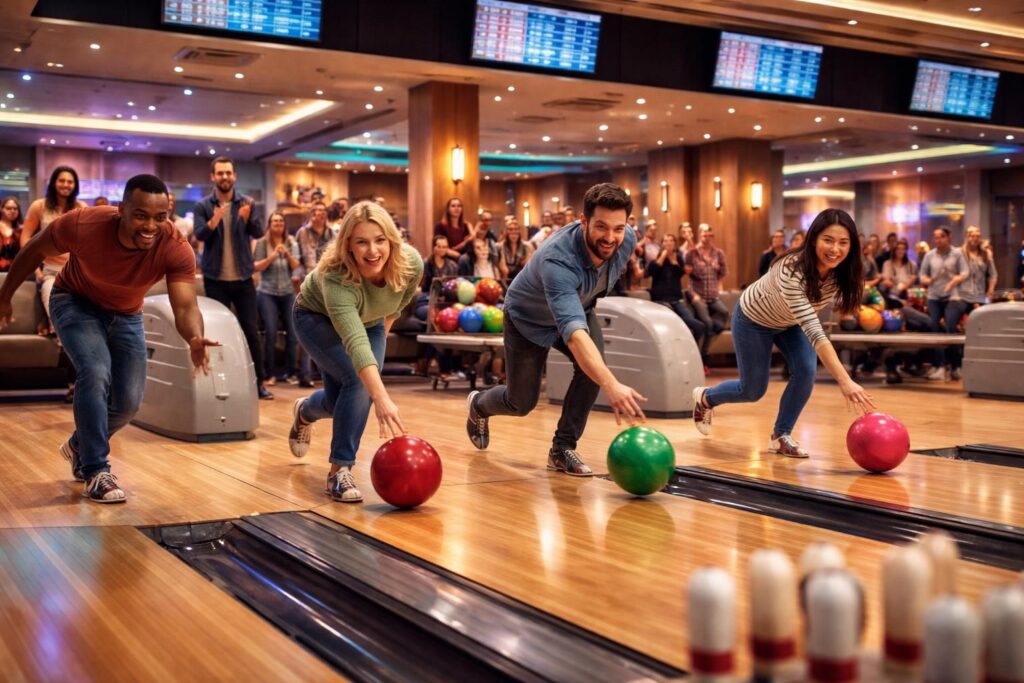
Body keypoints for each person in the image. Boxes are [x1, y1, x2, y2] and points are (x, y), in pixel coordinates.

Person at [0, 174, 216, 503]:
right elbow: (33, 250)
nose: (150, 226)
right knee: (96, 370)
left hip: (127, 315)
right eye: (141, 215)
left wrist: (195, 338)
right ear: (121, 209)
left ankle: (80, 445)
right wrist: (4, 297)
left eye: (160, 217)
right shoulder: (84, 224)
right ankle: (96, 470)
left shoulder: (174, 245)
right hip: (74, 301)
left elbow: (185, 305)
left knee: (128, 403)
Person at [465, 183, 646, 476]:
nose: (610, 237)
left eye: (618, 228)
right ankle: (480, 405)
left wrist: (602, 376)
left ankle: (562, 449)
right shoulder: (558, 259)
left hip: (579, 309)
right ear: (583, 221)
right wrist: (611, 385)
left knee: (592, 371)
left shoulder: (626, 241)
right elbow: (574, 336)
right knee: (521, 402)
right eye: (601, 227)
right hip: (527, 318)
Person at [691, 208, 876, 458]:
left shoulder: (841, 274)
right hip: (753, 319)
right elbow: (816, 332)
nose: (835, 249)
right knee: (752, 390)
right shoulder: (791, 269)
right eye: (828, 240)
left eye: (843, 243)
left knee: (806, 371)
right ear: (813, 240)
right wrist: (845, 381)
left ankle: (781, 436)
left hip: (788, 322)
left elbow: (817, 316)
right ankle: (706, 398)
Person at [287, 201, 423, 503]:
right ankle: (339, 470)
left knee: (345, 401)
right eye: (362, 242)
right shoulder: (335, 276)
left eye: (379, 240)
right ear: (348, 244)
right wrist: (381, 397)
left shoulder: (411, 263)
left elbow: (396, 306)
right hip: (314, 318)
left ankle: (305, 411)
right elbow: (355, 342)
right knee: (359, 383)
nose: (372, 251)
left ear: (391, 239)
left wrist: (377, 350)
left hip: (372, 320)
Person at [192, 156, 271, 399]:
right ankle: (219, 383)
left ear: (234, 176)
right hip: (215, 279)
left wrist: (248, 220)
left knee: (250, 331)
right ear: (213, 177)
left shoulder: (246, 203)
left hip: (243, 278)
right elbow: (199, 235)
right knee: (218, 333)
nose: (224, 177)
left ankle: (259, 384)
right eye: (220, 173)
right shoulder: (204, 206)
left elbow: (258, 231)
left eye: (228, 173)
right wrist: (213, 221)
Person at [19, 165, 87, 331]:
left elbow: (87, 241)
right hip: (49, 271)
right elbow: (25, 238)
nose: (66, 184)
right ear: (54, 183)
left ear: (75, 185)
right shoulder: (39, 206)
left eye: (70, 181)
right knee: (55, 306)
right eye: (62, 180)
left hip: (76, 272)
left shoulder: (81, 207)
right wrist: (35, 270)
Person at [254, 211, 301, 385]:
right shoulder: (261, 242)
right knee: (271, 333)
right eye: (275, 221)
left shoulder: (291, 242)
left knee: (292, 334)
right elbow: (257, 266)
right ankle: (270, 374)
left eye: (281, 221)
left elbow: (296, 265)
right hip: (267, 292)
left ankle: (290, 373)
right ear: (269, 224)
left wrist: (286, 254)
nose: (278, 224)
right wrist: (273, 255)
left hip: (288, 292)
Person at [919, 227, 969, 381]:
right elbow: (922, 276)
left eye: (941, 236)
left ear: (949, 237)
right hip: (934, 296)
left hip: (952, 297)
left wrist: (955, 280)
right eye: (935, 237)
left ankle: (955, 367)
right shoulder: (930, 255)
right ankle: (939, 366)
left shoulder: (957, 253)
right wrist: (929, 280)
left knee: (950, 329)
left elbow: (965, 272)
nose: (938, 240)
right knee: (935, 330)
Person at [646, 233, 705, 348]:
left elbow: (681, 273)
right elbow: (653, 271)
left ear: (675, 244)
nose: (668, 243)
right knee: (677, 323)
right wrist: (663, 255)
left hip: (676, 301)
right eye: (665, 241)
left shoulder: (678, 260)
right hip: (660, 302)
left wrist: (675, 262)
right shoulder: (655, 262)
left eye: (671, 241)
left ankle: (691, 351)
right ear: (662, 244)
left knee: (699, 326)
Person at [685, 223, 730, 369]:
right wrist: (693, 295)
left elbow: (724, 272)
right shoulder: (692, 252)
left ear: (712, 236)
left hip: (713, 295)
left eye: (709, 234)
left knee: (724, 312)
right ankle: (704, 358)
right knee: (707, 322)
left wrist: (718, 269)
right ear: (699, 235)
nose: (706, 236)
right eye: (704, 234)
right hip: (698, 295)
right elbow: (689, 275)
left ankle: (711, 330)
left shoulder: (718, 253)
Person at [0, 196, 23, 271]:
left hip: (15, 270)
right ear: (1, 209)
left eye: (15, 209)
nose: (12, 211)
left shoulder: (21, 230)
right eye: (8, 208)